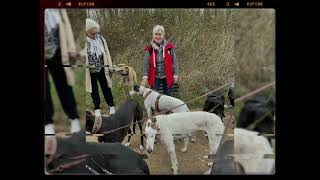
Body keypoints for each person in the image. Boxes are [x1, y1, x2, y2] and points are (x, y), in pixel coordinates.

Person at [44, 9, 81, 134]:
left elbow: (66, 26)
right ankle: (47, 123)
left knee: (64, 85)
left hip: (58, 49)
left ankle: (73, 118)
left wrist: (71, 47)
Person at [85, 18, 115, 120]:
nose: (95, 35)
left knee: (106, 87)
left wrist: (110, 67)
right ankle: (97, 109)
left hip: (102, 68)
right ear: (87, 32)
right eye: (92, 33)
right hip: (90, 71)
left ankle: (112, 107)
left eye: (96, 32)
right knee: (94, 90)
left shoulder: (101, 39)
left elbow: (107, 53)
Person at [141, 25, 178, 96]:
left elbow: (174, 62)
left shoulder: (169, 47)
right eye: (156, 34)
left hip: (167, 75)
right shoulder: (149, 49)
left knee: (168, 95)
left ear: (163, 35)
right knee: (154, 95)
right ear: (153, 35)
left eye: (160, 34)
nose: (158, 37)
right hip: (155, 76)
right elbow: (146, 64)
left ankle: (168, 107)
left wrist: (175, 74)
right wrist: (145, 77)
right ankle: (157, 107)